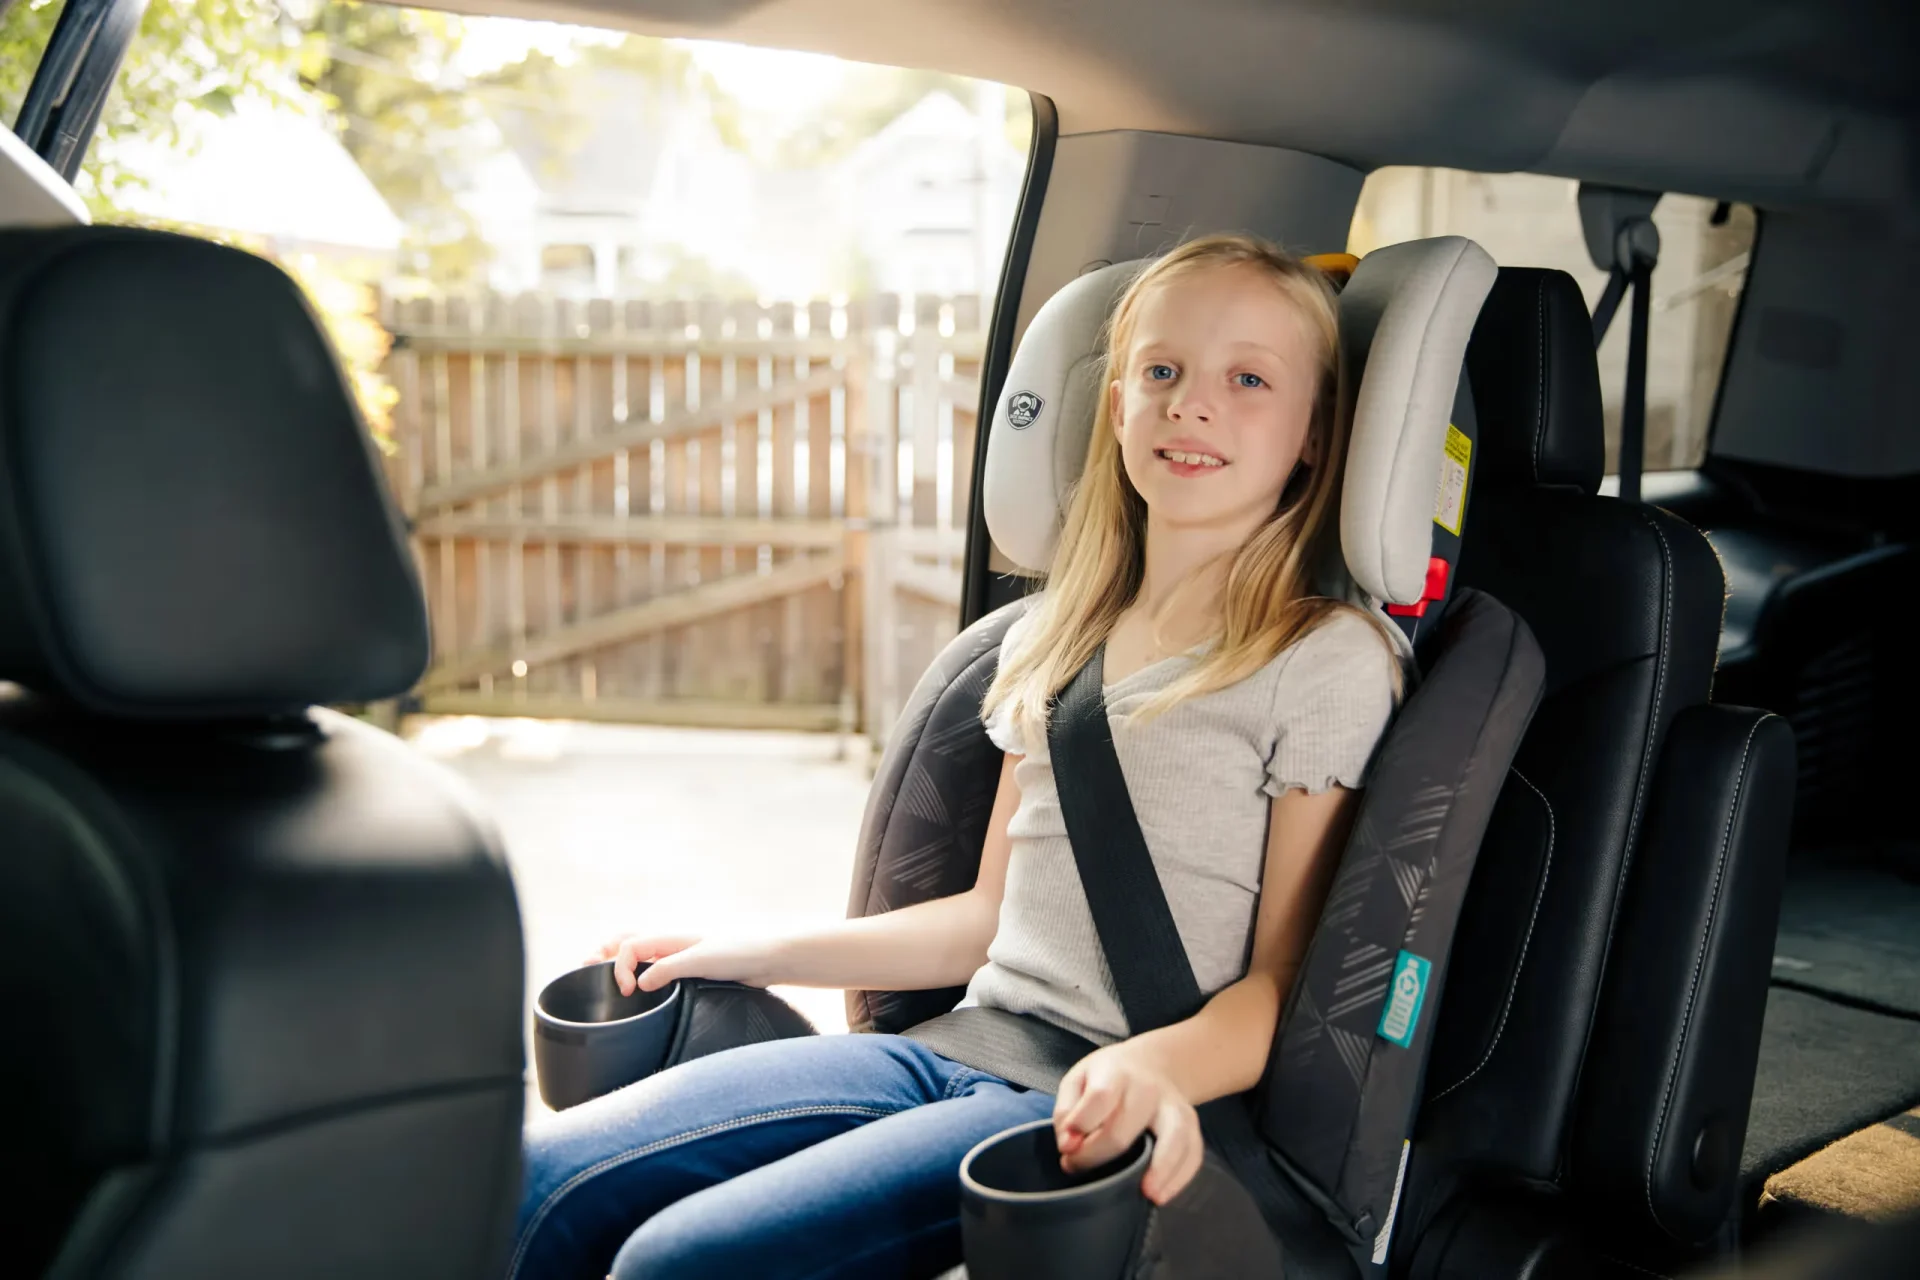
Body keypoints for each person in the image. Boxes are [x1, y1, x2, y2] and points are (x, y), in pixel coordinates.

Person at [507, 233, 1404, 1280]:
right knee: (535, 1185)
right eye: (1160, 371)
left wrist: (1148, 1065)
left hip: (1083, 1109)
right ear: (1115, 404)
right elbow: (983, 922)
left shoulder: (1322, 659)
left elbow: (1284, 982)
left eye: (1249, 378)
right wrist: (741, 948)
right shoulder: (1053, 639)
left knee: (677, 1261)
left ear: (1313, 435)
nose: (1190, 403)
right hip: (955, 1048)